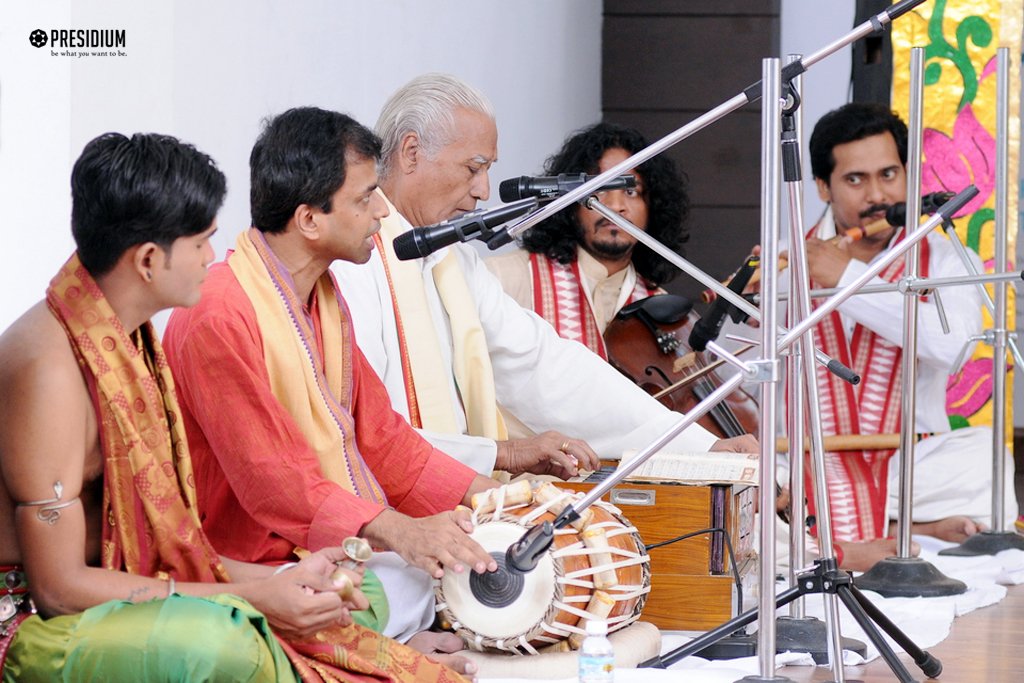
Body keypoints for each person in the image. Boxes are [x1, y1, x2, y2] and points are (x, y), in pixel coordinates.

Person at [0, 132, 464, 682]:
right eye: (201, 242)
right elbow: (57, 589)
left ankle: (348, 640)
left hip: (126, 578)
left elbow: (167, 544)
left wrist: (267, 588)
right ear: (149, 260)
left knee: (344, 584)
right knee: (220, 644)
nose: (211, 258)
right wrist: (253, 596)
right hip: (25, 616)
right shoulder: (51, 370)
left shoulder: (128, 342)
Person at [161, 109, 498, 672]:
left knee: (460, 563)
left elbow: (384, 440)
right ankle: (376, 645)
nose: (383, 211)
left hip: (326, 548)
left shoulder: (323, 297)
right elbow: (273, 481)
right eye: (366, 197)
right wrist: (399, 531)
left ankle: (383, 637)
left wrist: (496, 499)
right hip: (254, 559)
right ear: (309, 220)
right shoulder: (220, 314)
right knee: (408, 584)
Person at [331, 73, 756, 483]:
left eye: (488, 169)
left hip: (459, 498)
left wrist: (694, 446)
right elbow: (368, 430)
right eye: (473, 168)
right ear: (410, 152)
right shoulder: (352, 257)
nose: (483, 190)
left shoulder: (453, 260)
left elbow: (545, 366)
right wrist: (505, 454)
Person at [779, 102, 1015, 569]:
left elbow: (951, 348)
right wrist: (747, 308)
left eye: (889, 174)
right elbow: (740, 372)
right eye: (855, 180)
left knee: (984, 459)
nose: (876, 195)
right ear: (824, 186)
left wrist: (846, 279)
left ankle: (864, 530)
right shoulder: (787, 257)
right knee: (753, 484)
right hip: (807, 459)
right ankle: (901, 531)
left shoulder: (947, 257)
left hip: (908, 464)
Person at [487, 121, 689, 357]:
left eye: (631, 191)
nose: (615, 206)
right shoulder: (505, 278)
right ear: (570, 203)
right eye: (600, 189)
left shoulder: (660, 309)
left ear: (653, 206)